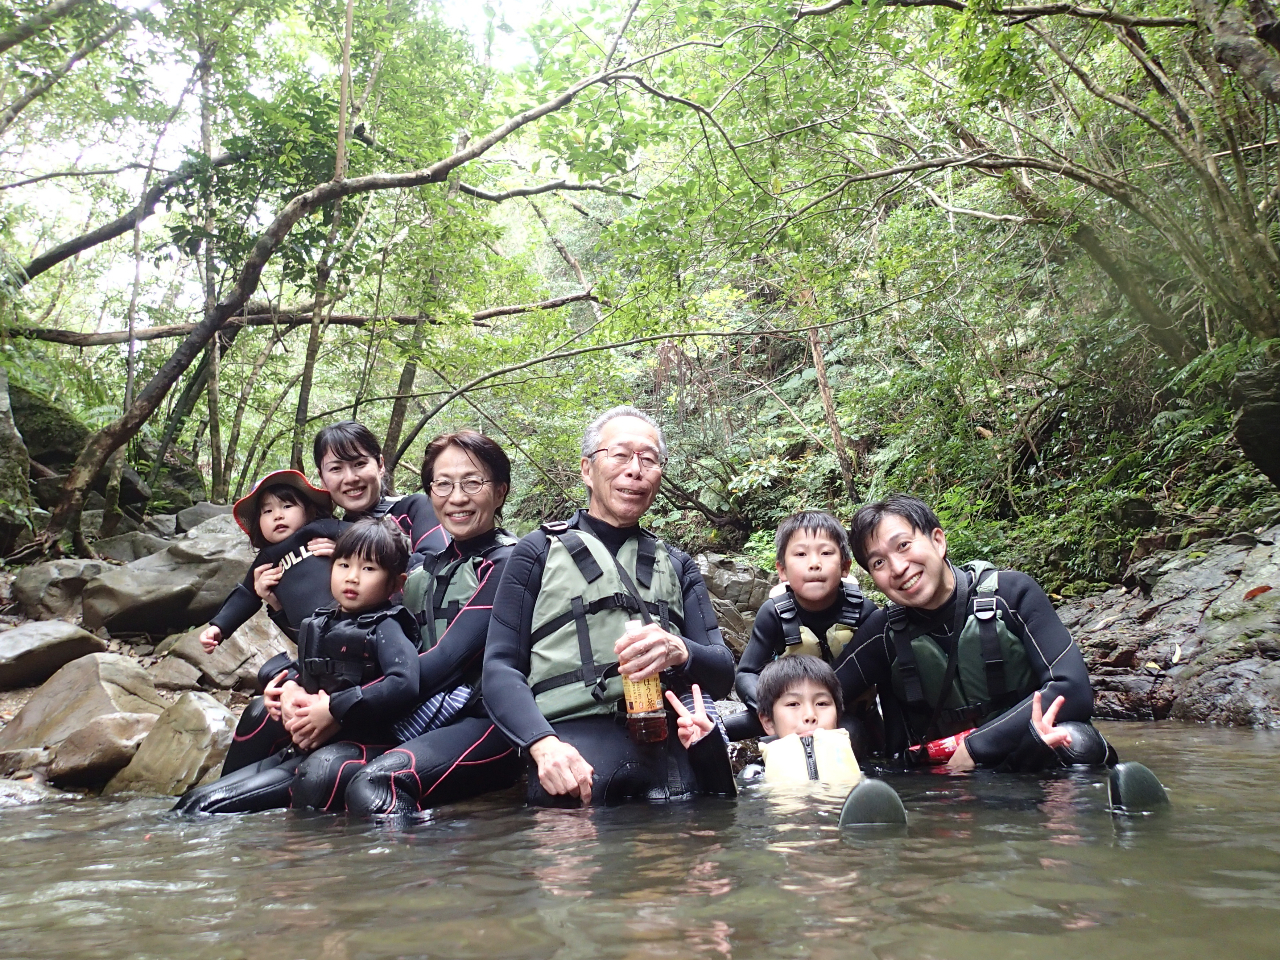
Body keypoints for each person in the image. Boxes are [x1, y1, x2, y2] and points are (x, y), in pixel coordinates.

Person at [483, 406, 737, 807]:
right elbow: (499, 667)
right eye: (619, 455)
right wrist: (542, 745)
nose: (635, 469)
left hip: (673, 744)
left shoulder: (677, 564)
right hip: (575, 751)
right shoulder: (537, 552)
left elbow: (723, 673)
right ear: (587, 469)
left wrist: (680, 650)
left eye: (649, 459)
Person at [312, 431, 524, 816]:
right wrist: (302, 692)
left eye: (472, 482)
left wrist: (336, 708)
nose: (456, 497)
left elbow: (446, 660)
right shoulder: (424, 572)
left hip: (491, 719)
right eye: (442, 484)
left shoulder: (511, 563)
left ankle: (436, 874)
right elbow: (355, 637)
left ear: (500, 491)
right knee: (319, 772)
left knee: (375, 784)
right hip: (429, 713)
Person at [225, 421, 449, 773]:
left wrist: (363, 556)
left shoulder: (413, 508)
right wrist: (278, 606)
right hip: (343, 674)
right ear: (322, 478)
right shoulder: (315, 537)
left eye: (359, 464)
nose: (350, 478)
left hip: (401, 671)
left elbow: (434, 570)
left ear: (380, 464)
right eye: (336, 468)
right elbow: (327, 632)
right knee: (260, 710)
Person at [834, 494, 1116, 772]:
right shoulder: (882, 633)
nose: (898, 568)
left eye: (904, 545)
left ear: (938, 541)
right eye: (878, 563)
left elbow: (1073, 691)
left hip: (1025, 760)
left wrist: (975, 745)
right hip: (942, 784)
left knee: (1078, 741)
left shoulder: (1012, 594)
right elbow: (817, 696)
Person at [175, 518, 421, 814]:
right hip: (304, 747)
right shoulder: (322, 621)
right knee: (193, 804)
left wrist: (334, 708)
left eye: (368, 569)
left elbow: (404, 682)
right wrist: (280, 687)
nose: (352, 578)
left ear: (396, 583)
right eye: (343, 565)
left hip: (357, 745)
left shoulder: (387, 625)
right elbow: (301, 668)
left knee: (206, 808)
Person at [726, 511, 879, 750]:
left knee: (852, 732)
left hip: (850, 717)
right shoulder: (774, 614)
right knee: (721, 730)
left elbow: (885, 678)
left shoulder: (865, 613)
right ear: (782, 570)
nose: (814, 563)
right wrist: (773, 714)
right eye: (800, 554)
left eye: (826, 553)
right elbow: (746, 673)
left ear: (845, 566)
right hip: (790, 718)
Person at [200, 470, 344, 652]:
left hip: (349, 612)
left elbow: (367, 533)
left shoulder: (319, 529)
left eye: (287, 506)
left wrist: (347, 547)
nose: (278, 515)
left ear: (308, 511)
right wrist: (218, 627)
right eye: (267, 511)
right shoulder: (267, 560)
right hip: (311, 636)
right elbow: (246, 595)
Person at [690, 656, 862, 786]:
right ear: (768, 722)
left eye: (822, 703)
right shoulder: (755, 775)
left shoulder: (855, 769)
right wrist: (709, 752)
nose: (810, 715)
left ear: (837, 717)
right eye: (793, 704)